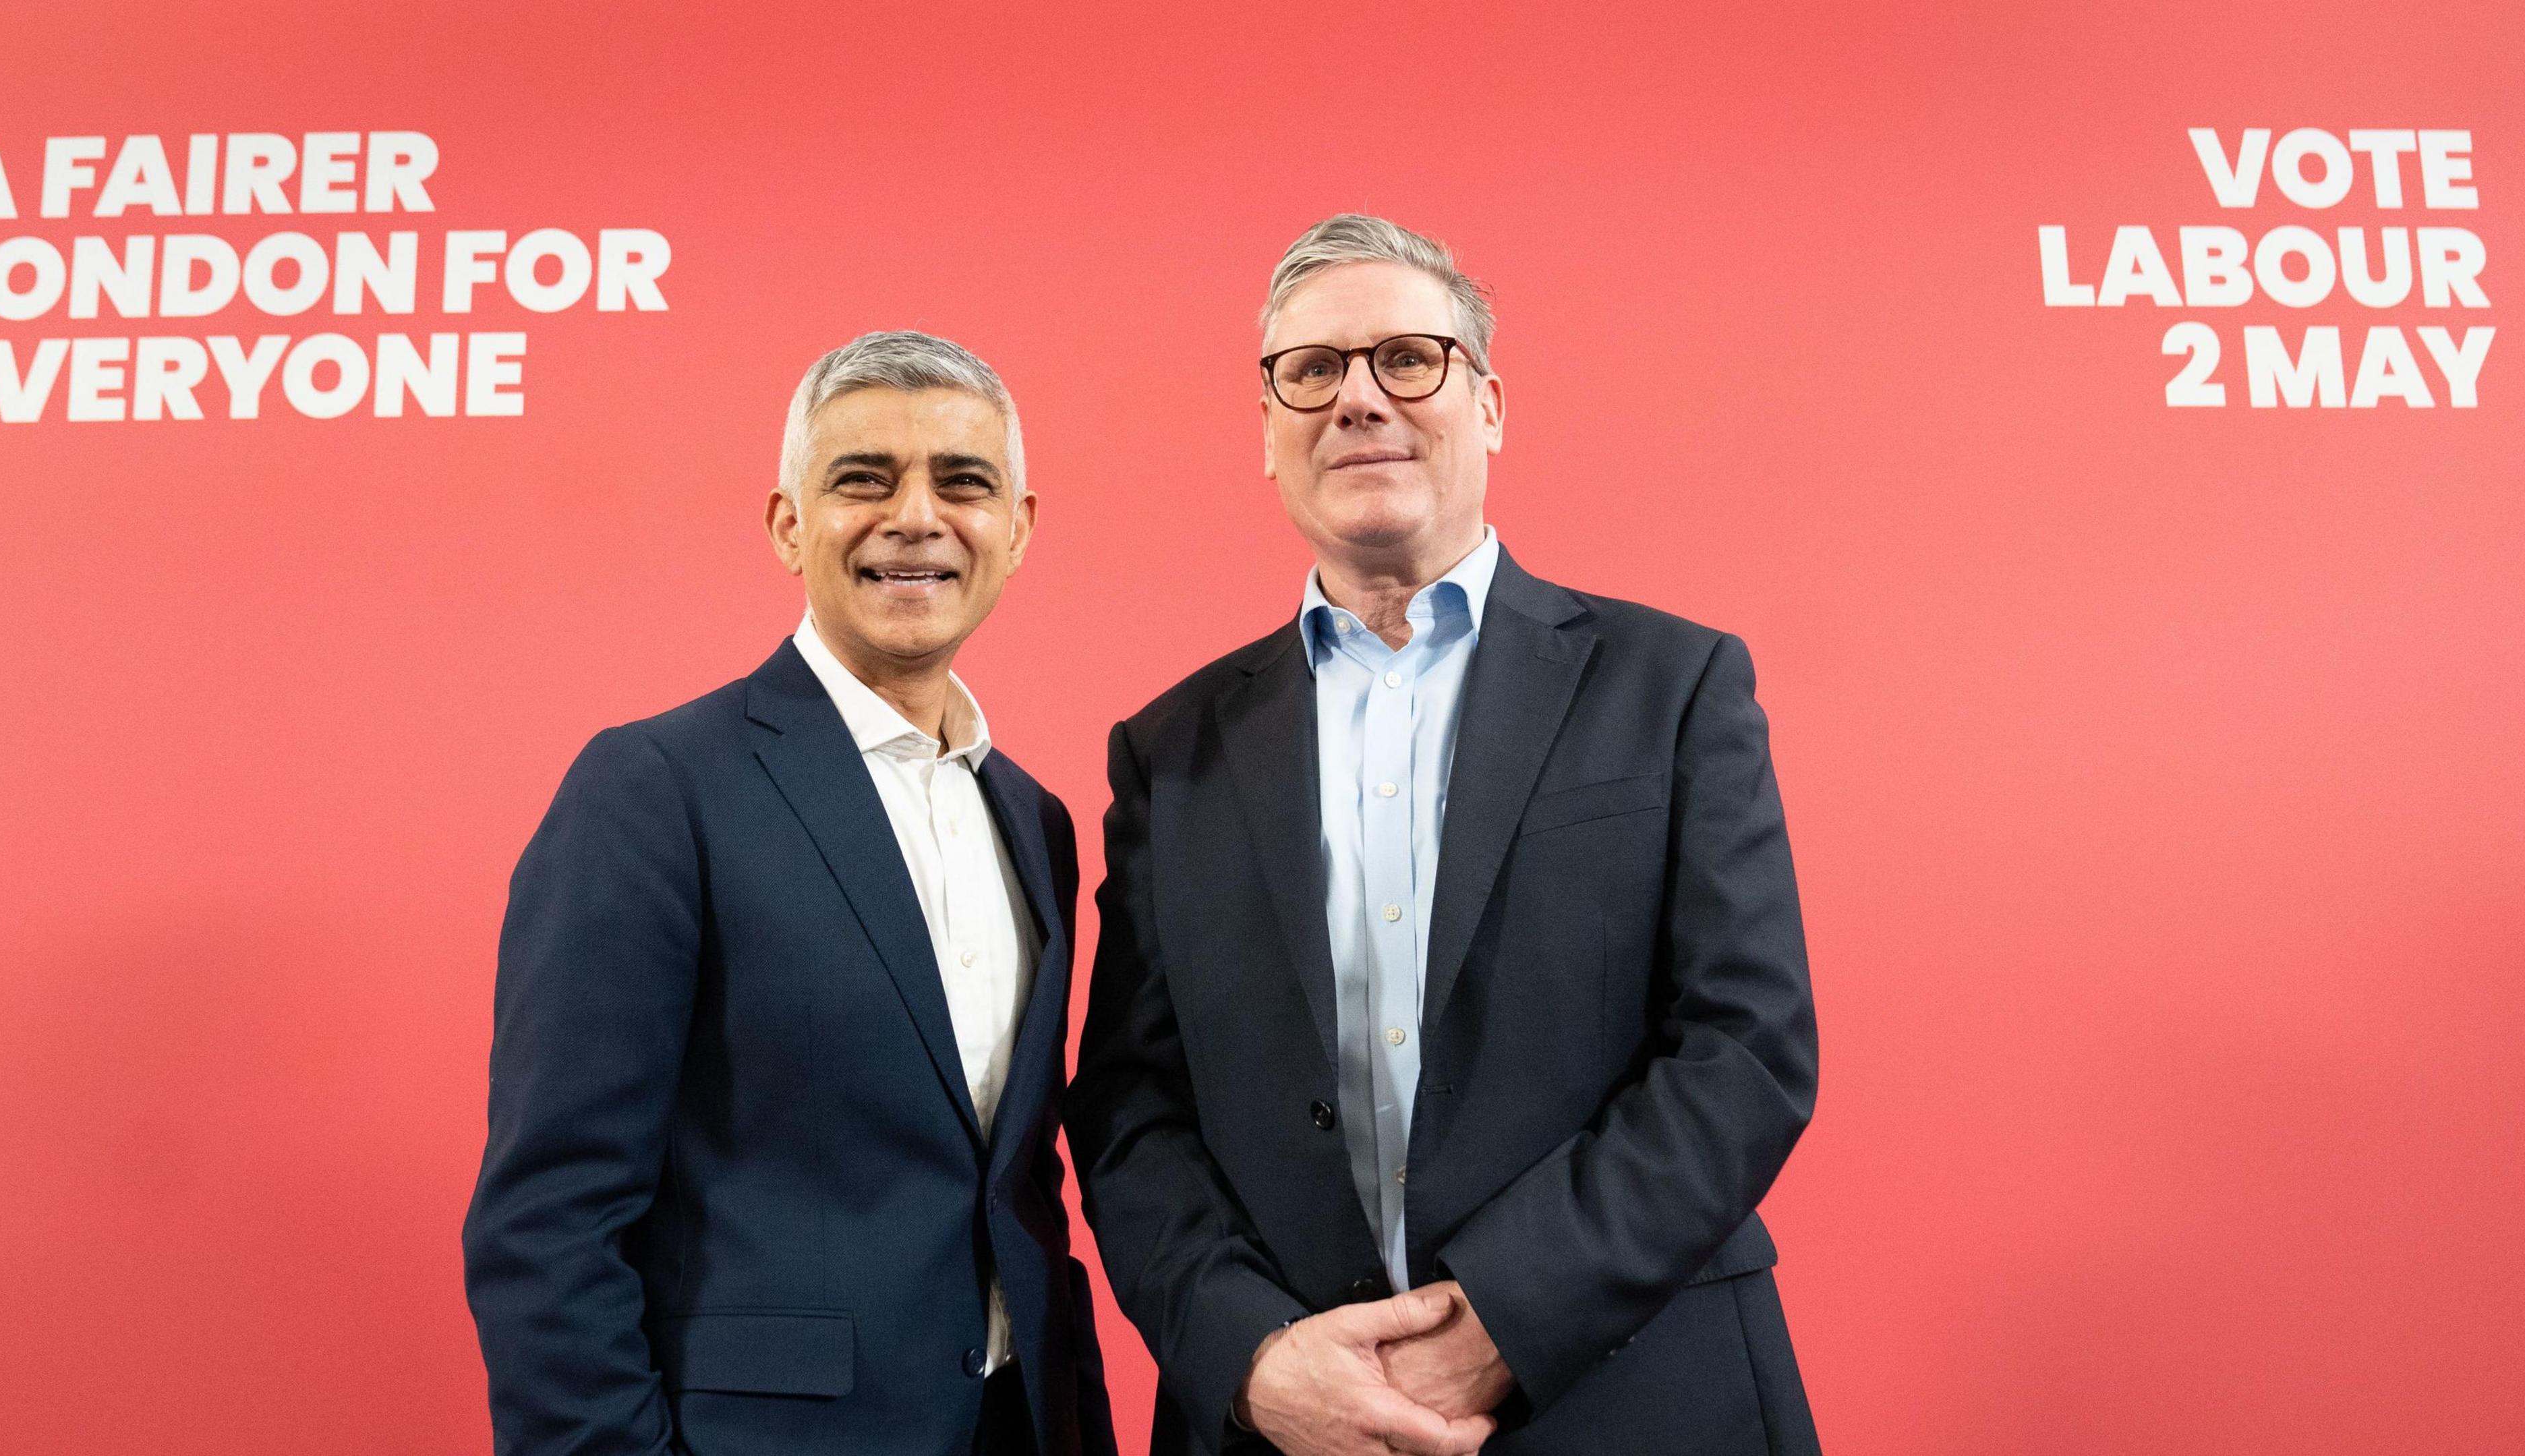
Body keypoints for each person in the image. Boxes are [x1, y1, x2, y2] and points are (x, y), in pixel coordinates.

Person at [1066, 216, 1820, 1455]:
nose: (1358, 397)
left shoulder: (1673, 686)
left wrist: (1507, 1322)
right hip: (1287, 1428)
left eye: (1407, 358)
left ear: (1489, 404)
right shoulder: (1170, 750)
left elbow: (1744, 1049)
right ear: (1268, 433)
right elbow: (1133, 1109)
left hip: (1633, 1398)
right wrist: (1252, 1355)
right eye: (1310, 371)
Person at [464, 331, 1115, 1456]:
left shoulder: (1035, 818)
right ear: (787, 524)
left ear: (1019, 528)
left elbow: (1017, 1181)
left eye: (964, 483)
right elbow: (548, 1223)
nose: (917, 516)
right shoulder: (655, 788)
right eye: (863, 479)